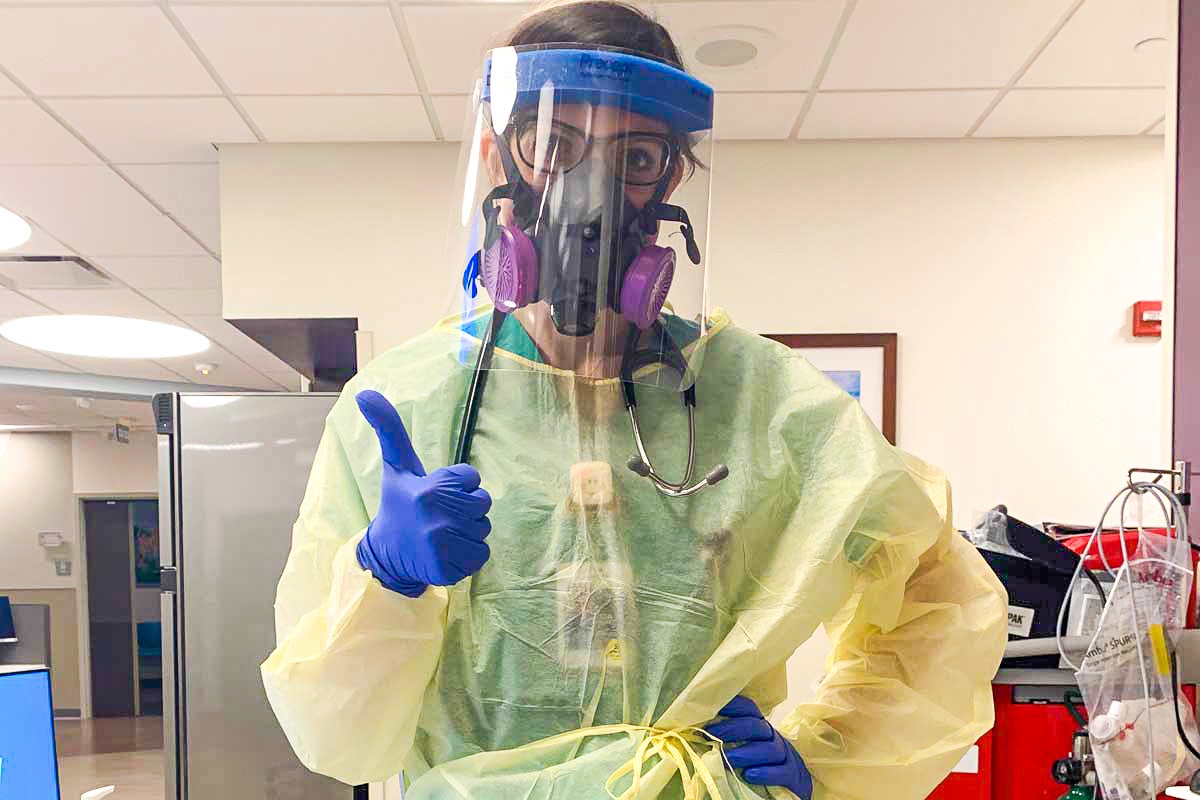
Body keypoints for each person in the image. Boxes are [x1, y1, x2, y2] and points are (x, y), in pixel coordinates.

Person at [261, 2, 1008, 798]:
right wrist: (385, 581)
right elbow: (338, 741)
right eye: (552, 146)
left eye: (637, 157)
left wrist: (828, 758)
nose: (591, 192)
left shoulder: (767, 401)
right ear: (493, 155)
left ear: (673, 177)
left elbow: (940, 595)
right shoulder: (406, 406)